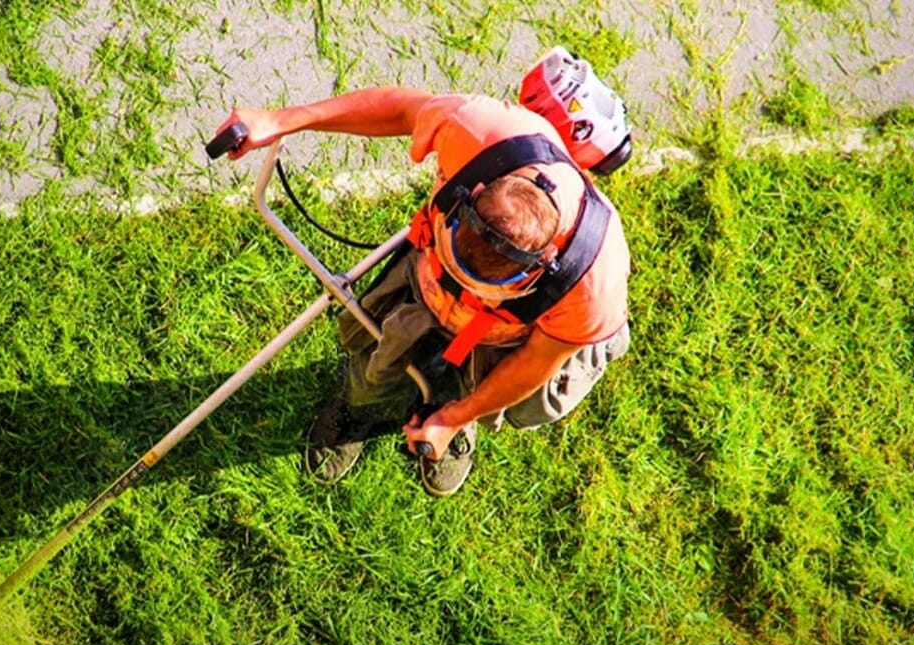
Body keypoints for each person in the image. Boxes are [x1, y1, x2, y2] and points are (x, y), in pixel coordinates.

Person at [216, 49, 632, 497]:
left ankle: (451, 415)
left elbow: (534, 362)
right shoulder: (482, 132)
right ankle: (360, 409)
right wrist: (283, 120)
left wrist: (455, 417)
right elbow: (401, 109)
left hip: (507, 334)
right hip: (425, 276)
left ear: (543, 264)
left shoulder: (593, 281)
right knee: (375, 362)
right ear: (474, 194)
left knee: (480, 392)